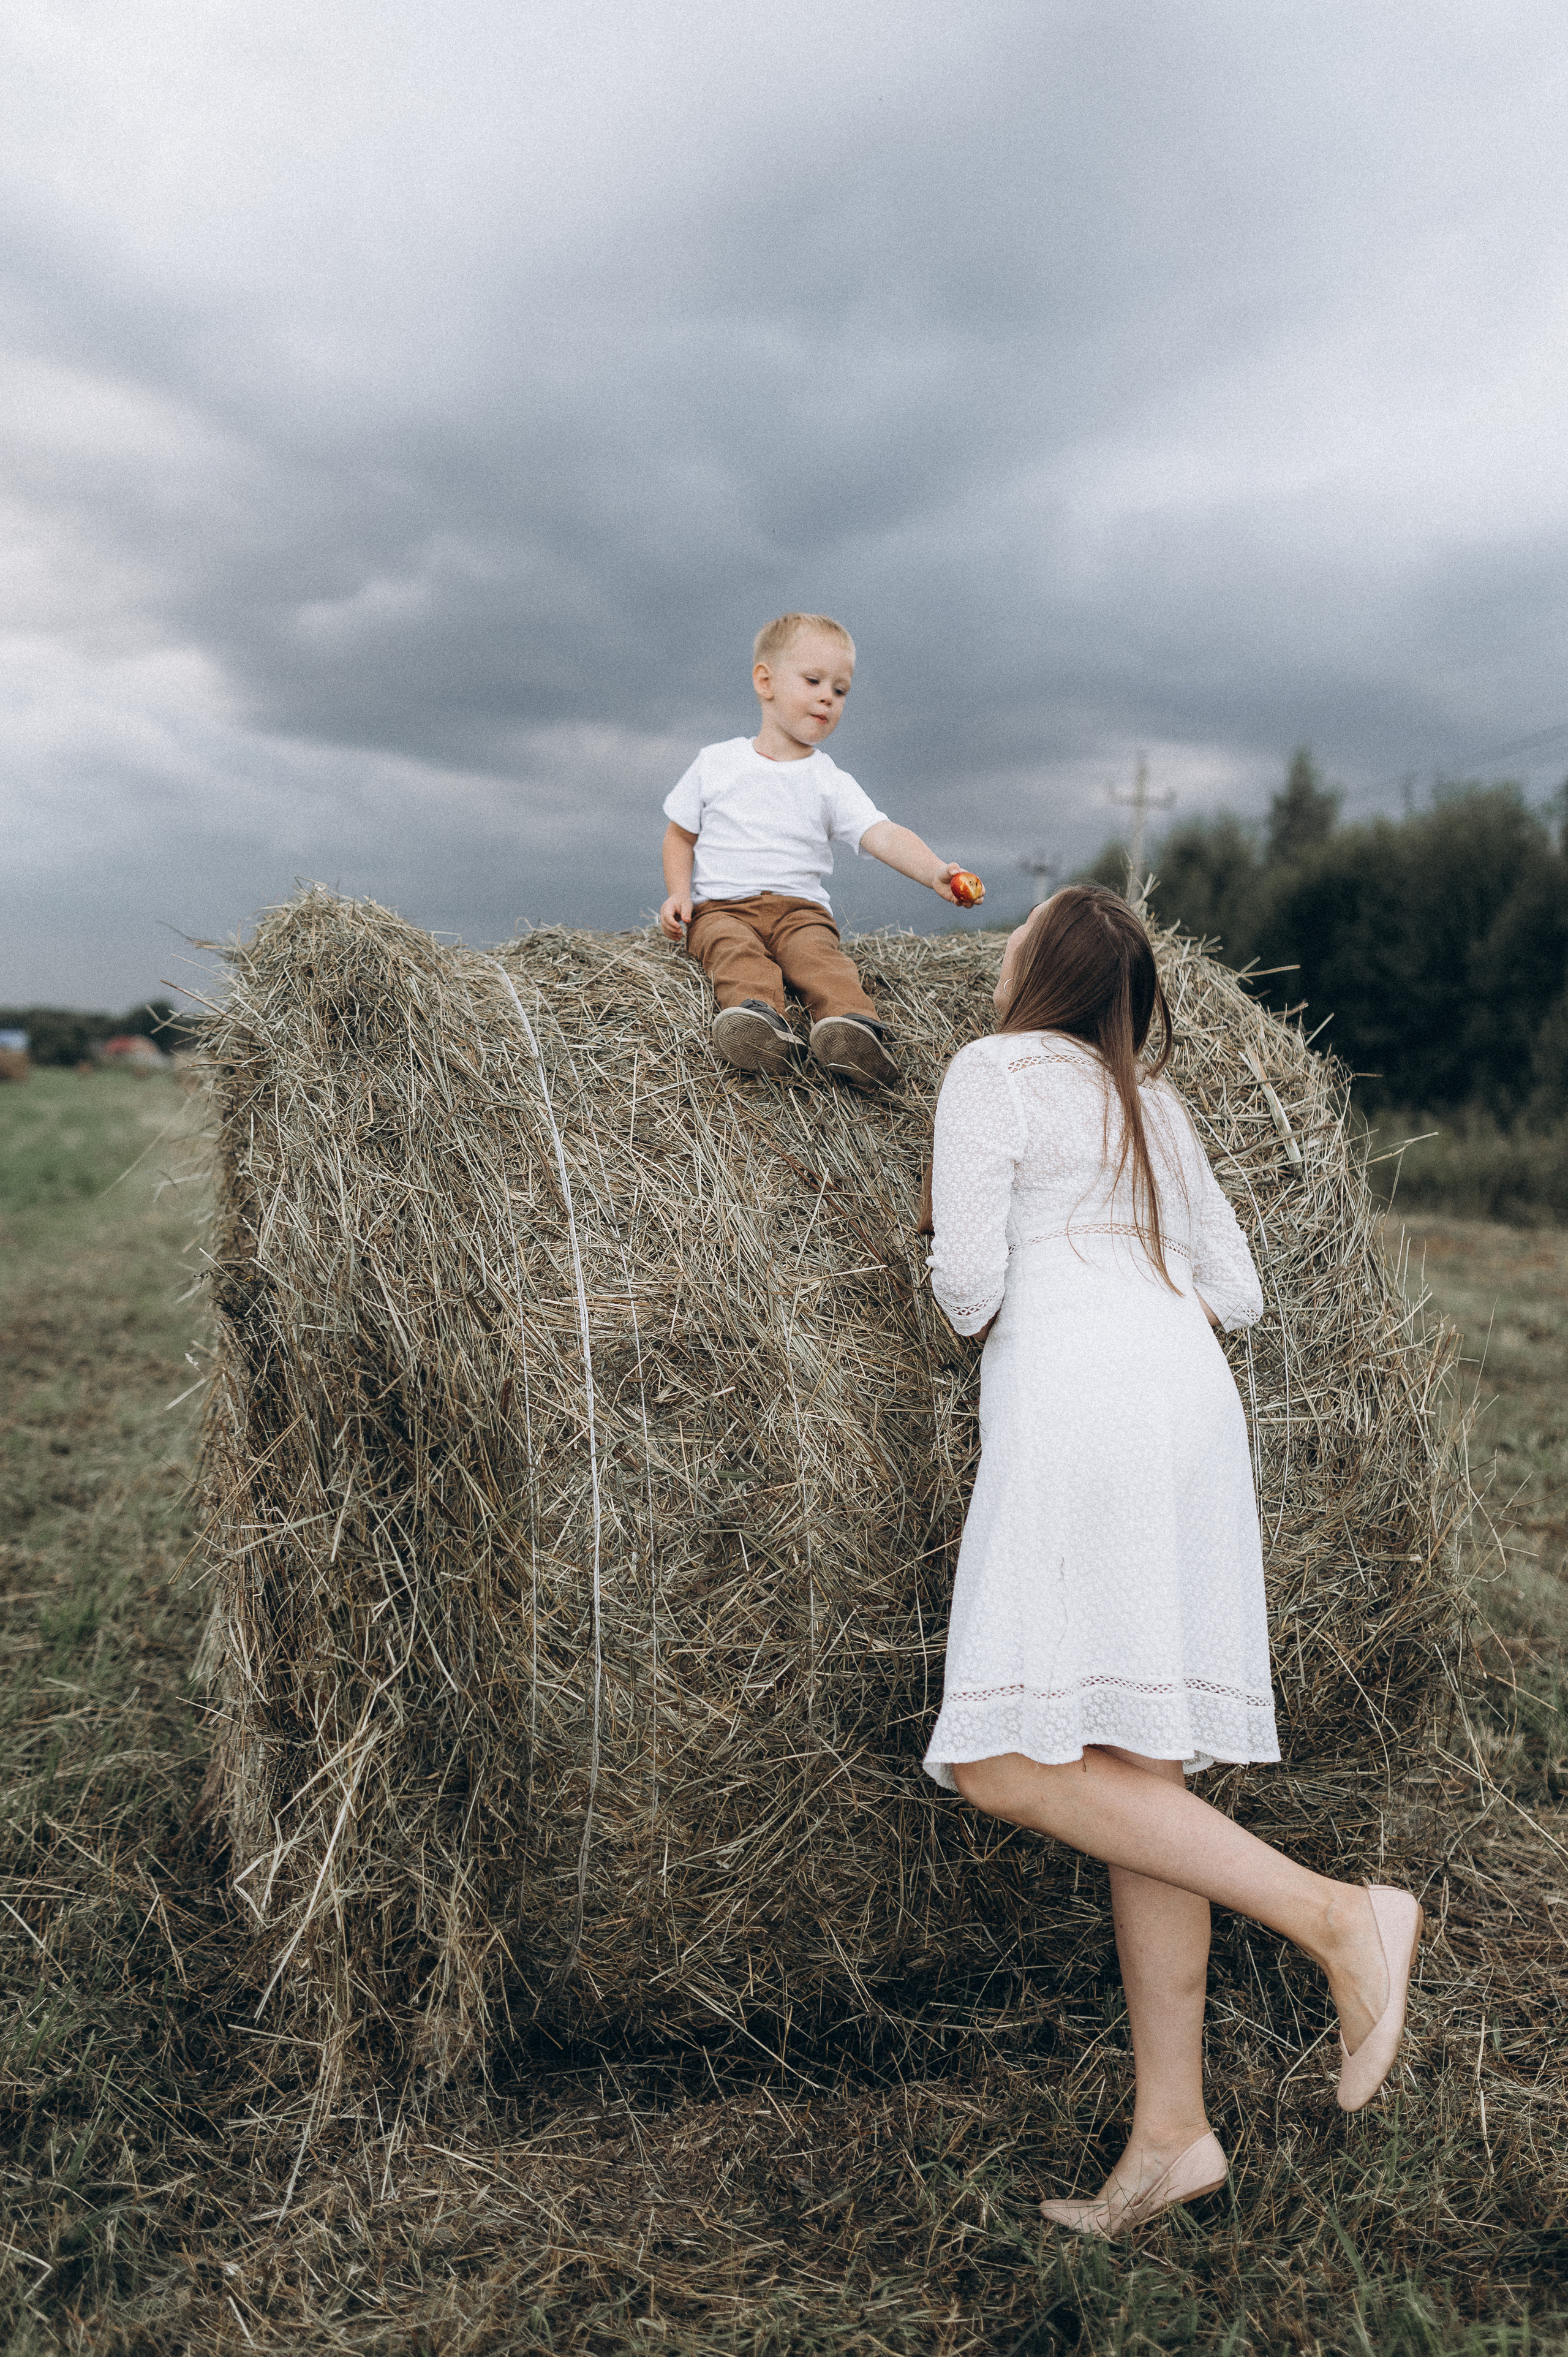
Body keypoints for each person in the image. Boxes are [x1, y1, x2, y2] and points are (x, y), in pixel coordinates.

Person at [923, 884, 1423, 2237]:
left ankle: (1338, 1921)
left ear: (1037, 969)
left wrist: (1038, 1270)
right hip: (1185, 1404)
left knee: (1002, 1760)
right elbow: (1241, 1293)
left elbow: (966, 1290)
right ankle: (1170, 2135)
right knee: (1136, 1761)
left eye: (1015, 935)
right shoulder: (1149, 1101)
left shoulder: (989, 1073)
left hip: (1075, 1410)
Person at [658, 612, 970, 1088]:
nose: (828, 696)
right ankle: (759, 1026)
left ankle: (852, 1031)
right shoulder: (716, 763)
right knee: (733, 951)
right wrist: (678, 893)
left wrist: (932, 872)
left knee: (822, 960)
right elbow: (680, 834)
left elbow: (880, 832)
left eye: (841, 690)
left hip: (800, 912)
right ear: (766, 681)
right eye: (813, 680)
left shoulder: (829, 780)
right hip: (722, 908)